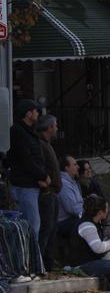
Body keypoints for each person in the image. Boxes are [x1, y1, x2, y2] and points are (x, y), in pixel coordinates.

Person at [7, 99, 48, 237]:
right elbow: (26, 160)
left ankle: (30, 257)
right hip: (24, 186)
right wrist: (42, 176)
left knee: (32, 224)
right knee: (31, 226)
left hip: (30, 184)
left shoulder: (28, 132)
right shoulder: (18, 131)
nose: (38, 114)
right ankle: (29, 258)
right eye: (36, 111)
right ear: (28, 113)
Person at [36, 114, 62, 271]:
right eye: (55, 125)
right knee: (46, 228)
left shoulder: (47, 144)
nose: (57, 128)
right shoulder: (40, 144)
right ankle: (40, 264)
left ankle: (48, 263)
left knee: (52, 229)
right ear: (49, 127)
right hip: (46, 193)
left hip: (53, 192)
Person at [56, 154, 84, 235]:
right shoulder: (64, 184)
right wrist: (90, 211)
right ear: (66, 168)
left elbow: (79, 202)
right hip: (65, 222)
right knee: (94, 220)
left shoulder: (72, 181)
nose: (78, 167)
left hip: (74, 218)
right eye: (75, 164)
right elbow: (72, 209)